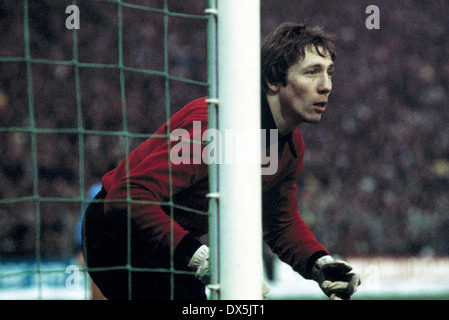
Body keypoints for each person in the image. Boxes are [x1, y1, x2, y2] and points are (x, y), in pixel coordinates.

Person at [82, 22, 361, 300]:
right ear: (274, 81)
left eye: (330, 73)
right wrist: (198, 256)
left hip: (167, 244)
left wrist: (319, 263)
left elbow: (280, 223)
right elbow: (128, 195)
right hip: (116, 231)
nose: (326, 86)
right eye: (312, 72)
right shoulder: (218, 126)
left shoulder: (291, 145)